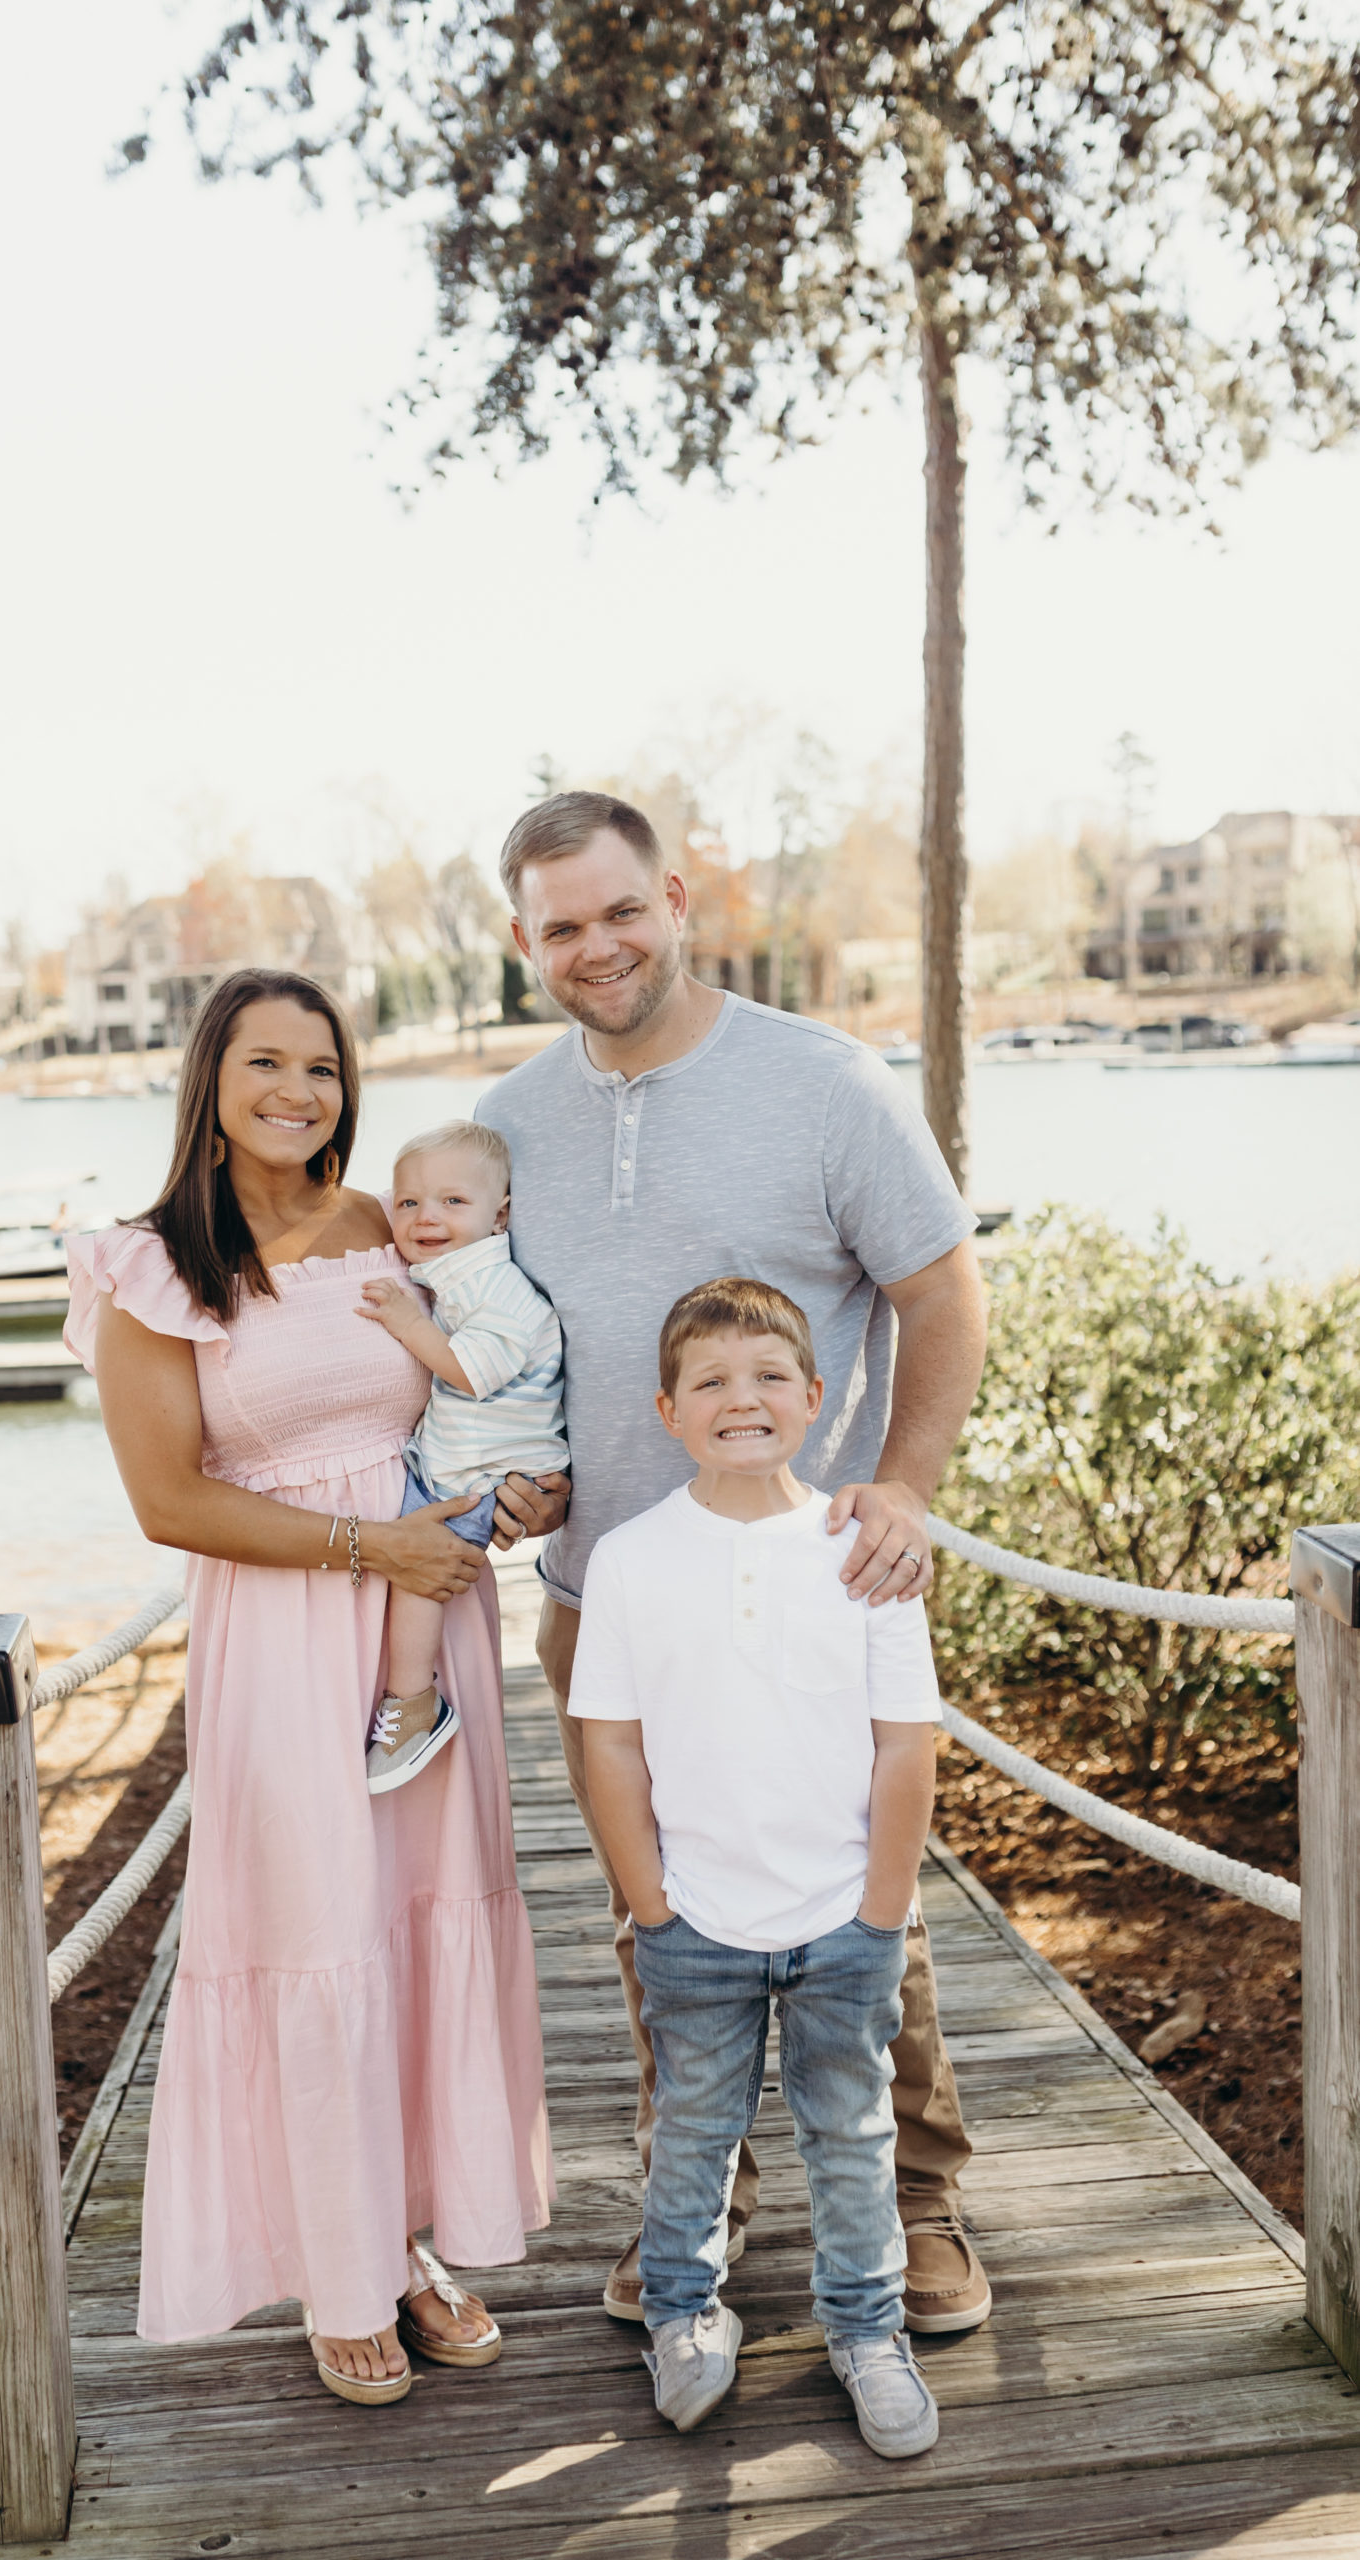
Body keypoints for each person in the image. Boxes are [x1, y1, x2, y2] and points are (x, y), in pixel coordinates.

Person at [477, 789, 993, 2335]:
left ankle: (916, 2202)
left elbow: (942, 1292)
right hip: (605, 1597)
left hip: (813, 1582)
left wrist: (899, 1491)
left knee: (865, 1901)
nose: (596, 946)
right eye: (560, 927)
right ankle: (696, 2199)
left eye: (619, 910)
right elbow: (503, 1341)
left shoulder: (821, 1084)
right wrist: (512, 1473)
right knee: (659, 1908)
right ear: (523, 942)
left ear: (676, 900)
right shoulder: (506, 1124)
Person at [64, 967, 552, 2407]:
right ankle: (338, 2272)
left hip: (427, 1614)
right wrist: (365, 1546)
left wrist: (517, 1489)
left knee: (416, 1921)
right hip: (284, 1632)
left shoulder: (392, 1229)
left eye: (324, 1068)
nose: (298, 1091)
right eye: (266, 1062)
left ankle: (405, 2238)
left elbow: (480, 1383)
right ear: (210, 1081)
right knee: (317, 1929)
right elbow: (166, 1499)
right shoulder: (152, 1266)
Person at [573, 1277, 942, 2452]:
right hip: (695, 1919)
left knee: (852, 2133)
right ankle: (684, 2316)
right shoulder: (631, 1560)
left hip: (842, 1917)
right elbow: (609, 1743)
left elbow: (906, 1744)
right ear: (669, 1409)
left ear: (817, 1396)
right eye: (713, 1380)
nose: (744, 1398)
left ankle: (866, 2329)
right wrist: (651, 1904)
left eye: (771, 1375)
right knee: (692, 2131)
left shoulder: (864, 1551)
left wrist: (881, 1910)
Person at [354, 1119, 568, 1792]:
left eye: (452, 1201)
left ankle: (413, 1703)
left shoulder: (495, 1288)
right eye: (409, 1202)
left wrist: (406, 1323)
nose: (426, 1217)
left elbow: (471, 1372)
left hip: (488, 1472)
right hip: (466, 1459)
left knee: (420, 1573)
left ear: (499, 1214)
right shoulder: (456, 1274)